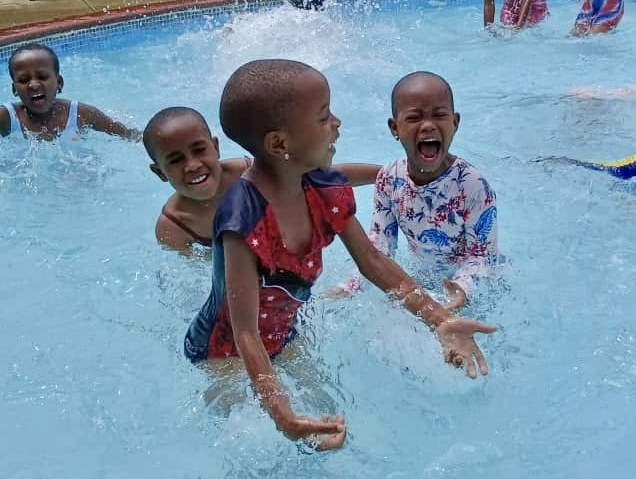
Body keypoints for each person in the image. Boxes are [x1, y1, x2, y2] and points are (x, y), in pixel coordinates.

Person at [184, 59, 497, 450]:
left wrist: (439, 320)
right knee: (248, 444)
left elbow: (374, 262)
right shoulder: (243, 221)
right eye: (323, 116)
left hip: (284, 332)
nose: (337, 123)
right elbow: (245, 331)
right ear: (280, 144)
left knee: (328, 418)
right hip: (223, 349)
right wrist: (281, 415)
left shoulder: (324, 188)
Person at [335, 72, 498, 311]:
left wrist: (461, 291)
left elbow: (481, 257)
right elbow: (381, 245)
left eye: (439, 115)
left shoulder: (472, 185)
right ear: (395, 128)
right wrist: (351, 286)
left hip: (477, 285)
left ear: (455, 123)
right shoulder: (389, 179)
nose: (428, 125)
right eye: (414, 118)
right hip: (428, 278)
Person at [144, 106, 381, 255]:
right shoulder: (173, 227)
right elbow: (200, 279)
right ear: (160, 173)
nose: (193, 165)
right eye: (175, 160)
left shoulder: (246, 172)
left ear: (215, 148)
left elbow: (321, 178)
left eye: (199, 150)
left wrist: (384, 173)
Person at [1, 43, 140, 142]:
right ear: (14, 89)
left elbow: (126, 134)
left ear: (59, 83)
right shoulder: (6, 118)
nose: (33, 85)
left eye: (43, 77)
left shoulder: (82, 114)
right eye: (24, 80)